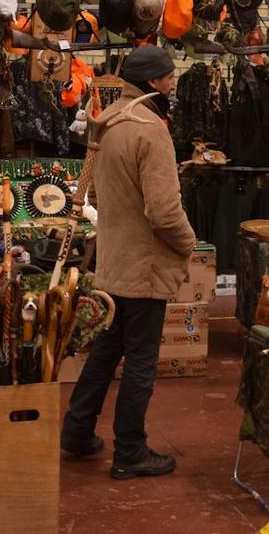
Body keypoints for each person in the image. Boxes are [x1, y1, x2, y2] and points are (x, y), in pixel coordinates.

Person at [60, 45, 196, 480]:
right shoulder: (150, 129)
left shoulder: (108, 122)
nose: (174, 83)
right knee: (139, 360)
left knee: (105, 352)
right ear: (154, 81)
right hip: (145, 267)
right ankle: (130, 452)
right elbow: (163, 212)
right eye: (170, 76)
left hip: (114, 261)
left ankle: (77, 434)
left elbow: (96, 197)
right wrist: (188, 242)